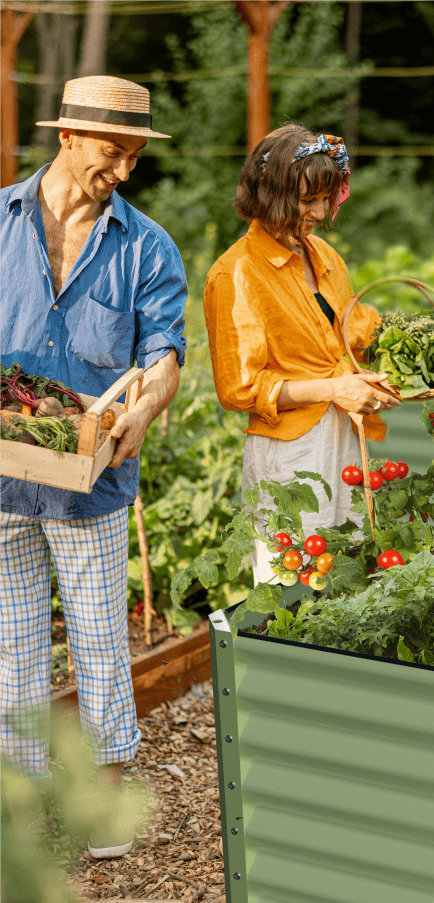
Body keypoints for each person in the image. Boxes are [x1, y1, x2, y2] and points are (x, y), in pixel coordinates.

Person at [0, 76, 187, 858]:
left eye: (136, 155)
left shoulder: (146, 244)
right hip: (5, 472)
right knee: (11, 641)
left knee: (101, 634)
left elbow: (165, 353)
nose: (125, 170)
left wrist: (144, 408)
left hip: (92, 478)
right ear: (68, 138)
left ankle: (103, 801)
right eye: (114, 151)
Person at [204, 124, 400, 583]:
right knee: (293, 583)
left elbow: (357, 330)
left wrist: (432, 348)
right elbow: (241, 389)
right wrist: (336, 387)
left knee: (349, 573)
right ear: (270, 192)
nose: (317, 212)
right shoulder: (236, 272)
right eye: (306, 199)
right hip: (291, 449)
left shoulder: (323, 254)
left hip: (344, 432)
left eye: (325, 199)